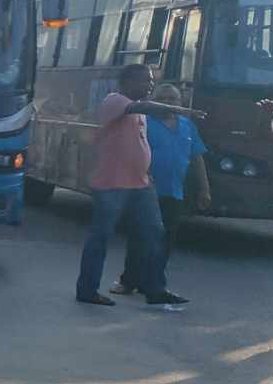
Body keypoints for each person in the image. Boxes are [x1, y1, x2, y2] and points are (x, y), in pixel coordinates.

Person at [77, 63, 200, 309]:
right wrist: (175, 107)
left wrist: (146, 170)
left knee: (155, 233)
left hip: (140, 183)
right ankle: (87, 289)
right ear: (129, 82)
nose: (150, 85)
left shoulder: (142, 112)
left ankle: (155, 288)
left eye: (151, 81)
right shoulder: (116, 101)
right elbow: (140, 106)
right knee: (101, 237)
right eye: (146, 81)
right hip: (112, 183)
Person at [111, 83, 207, 296]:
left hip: (175, 192)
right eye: (162, 98)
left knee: (166, 240)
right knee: (140, 237)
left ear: (180, 102)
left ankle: (153, 283)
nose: (168, 102)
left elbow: (197, 157)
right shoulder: (143, 123)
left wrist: (204, 190)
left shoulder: (187, 125)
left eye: (172, 99)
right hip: (145, 190)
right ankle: (128, 281)